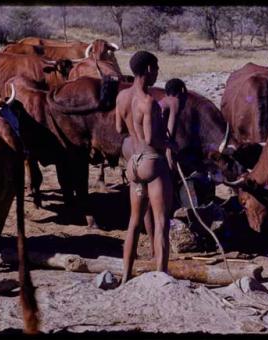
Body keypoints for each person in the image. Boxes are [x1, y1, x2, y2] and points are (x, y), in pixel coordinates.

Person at [115, 51, 175, 284]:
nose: (157, 72)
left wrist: (135, 131)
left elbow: (120, 129)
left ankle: (125, 276)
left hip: (134, 164)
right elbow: (151, 139)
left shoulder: (121, 97)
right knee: (161, 222)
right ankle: (161, 277)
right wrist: (169, 143)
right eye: (156, 68)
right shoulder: (148, 102)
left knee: (133, 222)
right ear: (148, 69)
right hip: (152, 162)